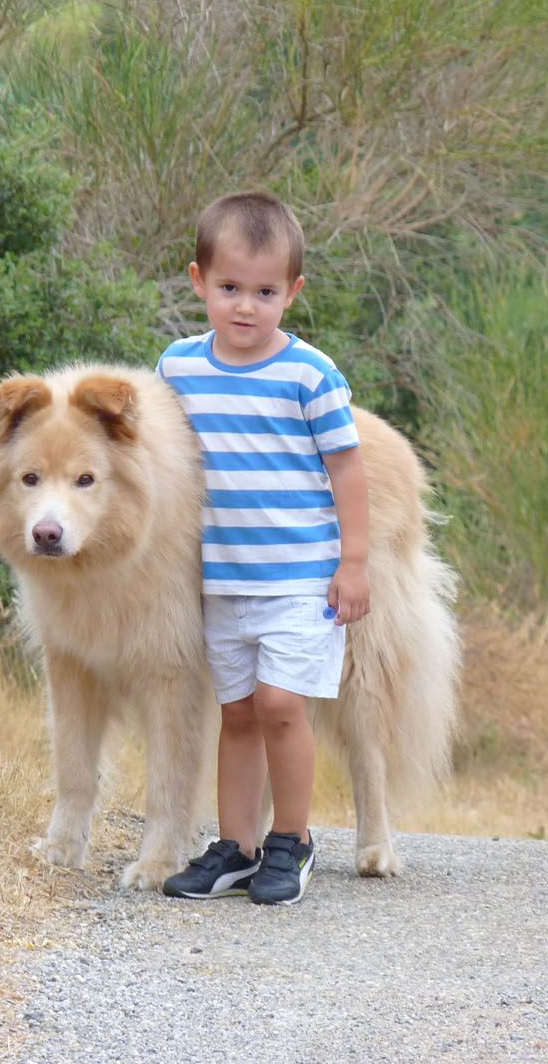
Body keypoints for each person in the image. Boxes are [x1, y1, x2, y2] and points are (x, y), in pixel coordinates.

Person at [155, 191, 370, 906]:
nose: (245, 307)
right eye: (229, 289)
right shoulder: (178, 369)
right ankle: (237, 847)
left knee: (282, 704)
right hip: (221, 581)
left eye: (265, 291)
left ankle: (293, 841)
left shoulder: (310, 374)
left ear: (293, 292)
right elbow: (161, 462)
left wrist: (355, 562)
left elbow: (347, 469)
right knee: (239, 712)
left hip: (299, 580)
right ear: (198, 282)